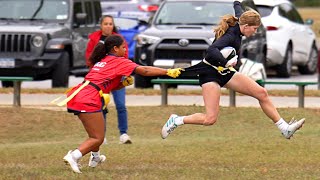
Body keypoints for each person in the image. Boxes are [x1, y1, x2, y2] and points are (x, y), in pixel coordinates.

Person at [161, 0, 305, 140]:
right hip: (210, 74)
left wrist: (237, 1)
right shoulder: (231, 35)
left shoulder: (240, 20)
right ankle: (177, 120)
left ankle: (284, 128)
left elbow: (238, 6)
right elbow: (212, 50)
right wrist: (226, 62)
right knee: (210, 119)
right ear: (247, 26)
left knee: (261, 93)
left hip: (225, 72)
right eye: (254, 29)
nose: (255, 32)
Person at [63, 35, 182, 173]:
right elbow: (145, 70)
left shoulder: (103, 60)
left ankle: (95, 158)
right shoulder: (120, 61)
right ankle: (73, 156)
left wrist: (122, 84)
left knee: (95, 134)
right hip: (89, 98)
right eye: (123, 47)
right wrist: (167, 71)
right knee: (97, 137)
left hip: (80, 94)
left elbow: (105, 85)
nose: (126, 50)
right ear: (115, 48)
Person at [85, 15, 131, 144]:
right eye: (105, 24)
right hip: (101, 80)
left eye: (110, 24)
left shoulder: (119, 39)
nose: (108, 26)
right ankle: (101, 135)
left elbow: (125, 56)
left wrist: (124, 74)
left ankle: (124, 134)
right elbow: (90, 57)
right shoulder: (95, 39)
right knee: (101, 106)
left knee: (121, 105)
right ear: (101, 25)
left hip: (117, 78)